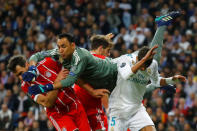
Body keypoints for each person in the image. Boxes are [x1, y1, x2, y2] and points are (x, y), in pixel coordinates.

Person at [24, 11, 181, 98]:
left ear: (73, 46)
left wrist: (45, 87)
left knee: (152, 61)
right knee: (136, 91)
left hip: (116, 71)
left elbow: (72, 78)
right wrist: (33, 69)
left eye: (63, 46)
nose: (60, 49)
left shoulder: (82, 57)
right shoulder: (70, 53)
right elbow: (36, 56)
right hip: (109, 84)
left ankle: (161, 25)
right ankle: (159, 85)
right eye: (59, 46)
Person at [107, 12, 186, 131]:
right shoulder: (125, 60)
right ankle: (161, 25)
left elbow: (155, 81)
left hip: (136, 109)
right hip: (119, 111)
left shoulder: (151, 64)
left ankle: (161, 25)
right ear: (139, 59)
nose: (144, 69)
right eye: (143, 65)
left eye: (146, 66)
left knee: (156, 58)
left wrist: (172, 79)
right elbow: (127, 74)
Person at [7, 55, 92, 131]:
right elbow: (47, 103)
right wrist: (57, 81)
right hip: (58, 114)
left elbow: (71, 74)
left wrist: (91, 90)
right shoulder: (25, 86)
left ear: (27, 64)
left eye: (21, 73)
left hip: (74, 104)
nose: (20, 78)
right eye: (17, 76)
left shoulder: (47, 63)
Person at [74, 34, 113, 131]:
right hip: (92, 108)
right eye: (108, 51)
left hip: (78, 105)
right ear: (100, 48)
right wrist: (108, 109)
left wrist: (103, 40)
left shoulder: (83, 57)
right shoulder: (102, 61)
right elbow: (104, 89)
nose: (108, 54)